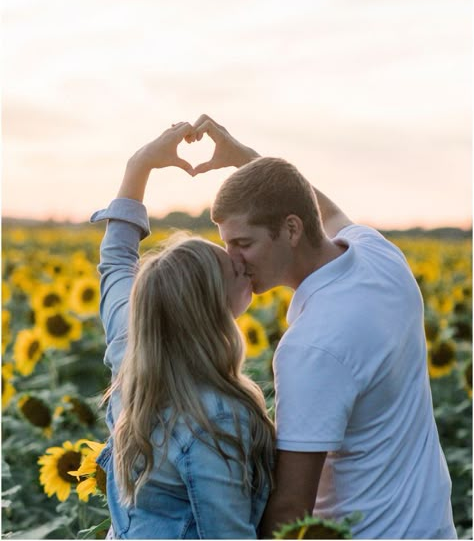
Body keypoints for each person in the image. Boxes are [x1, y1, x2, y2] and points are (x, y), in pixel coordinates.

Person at [185, 114, 457, 540]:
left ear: (291, 230)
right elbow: (321, 210)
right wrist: (249, 161)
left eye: (243, 243)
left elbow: (292, 507)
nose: (233, 260)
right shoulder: (380, 258)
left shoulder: (312, 347)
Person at [90, 123, 275, 540]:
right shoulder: (217, 422)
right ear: (208, 306)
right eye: (231, 267)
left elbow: (117, 261)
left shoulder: (133, 353)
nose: (240, 261)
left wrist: (140, 166)